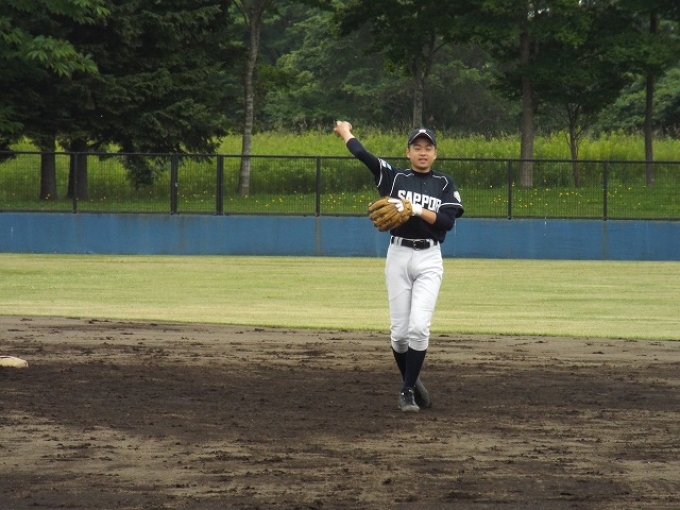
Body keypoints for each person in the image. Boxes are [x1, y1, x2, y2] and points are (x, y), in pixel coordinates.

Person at [333, 120, 464, 412]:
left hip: (429, 258)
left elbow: (446, 222)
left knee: (419, 327)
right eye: (417, 147)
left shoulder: (444, 183)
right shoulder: (395, 178)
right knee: (400, 334)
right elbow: (363, 155)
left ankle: (406, 390)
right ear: (408, 152)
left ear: (435, 153)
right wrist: (345, 132)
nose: (422, 152)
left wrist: (414, 209)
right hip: (399, 255)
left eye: (427, 147)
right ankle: (412, 379)